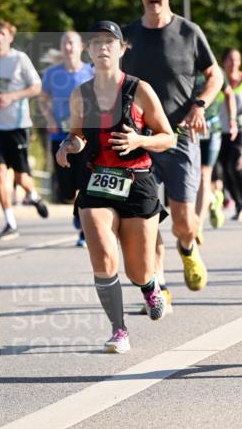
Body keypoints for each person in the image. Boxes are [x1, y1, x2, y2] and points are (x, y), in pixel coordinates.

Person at [55, 21, 176, 353]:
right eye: (96, 42)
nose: (103, 47)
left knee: (138, 268)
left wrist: (139, 138)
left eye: (110, 42)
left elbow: (168, 137)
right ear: (89, 51)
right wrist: (68, 146)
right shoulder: (81, 94)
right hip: (99, 180)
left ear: (123, 49)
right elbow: (78, 135)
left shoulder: (139, 90)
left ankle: (149, 286)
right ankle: (118, 329)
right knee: (104, 256)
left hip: (138, 181)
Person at [122, 0, 223, 306]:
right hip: (139, 140)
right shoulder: (127, 37)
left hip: (179, 137)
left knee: (182, 220)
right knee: (145, 217)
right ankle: (159, 286)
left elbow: (215, 76)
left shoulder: (188, 32)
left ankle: (187, 245)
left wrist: (199, 106)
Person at [0, 19, 47, 239]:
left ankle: (33, 195)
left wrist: (11, 97)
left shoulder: (20, 59)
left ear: (10, 37)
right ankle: (10, 222)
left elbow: (37, 87)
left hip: (17, 125)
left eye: (3, 34)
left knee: (19, 176)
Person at [39, 30, 94, 245]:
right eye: (65, 43)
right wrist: (49, 118)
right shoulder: (52, 73)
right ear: (61, 48)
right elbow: (43, 100)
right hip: (60, 136)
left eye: (72, 43)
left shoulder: (91, 72)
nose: (68, 47)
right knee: (67, 190)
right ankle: (77, 210)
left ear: (81, 47)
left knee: (85, 181)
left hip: (85, 137)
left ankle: (83, 228)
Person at [218, 48, 242, 221]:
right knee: (225, 169)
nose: (234, 63)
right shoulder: (218, 80)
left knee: (237, 164)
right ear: (223, 62)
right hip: (223, 130)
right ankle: (239, 203)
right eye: (230, 60)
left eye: (237, 60)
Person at [196, 70, 235, 233]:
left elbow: (229, 94)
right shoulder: (181, 63)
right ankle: (212, 198)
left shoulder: (214, 69)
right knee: (194, 176)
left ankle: (197, 226)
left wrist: (232, 120)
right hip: (191, 130)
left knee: (205, 174)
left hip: (212, 130)